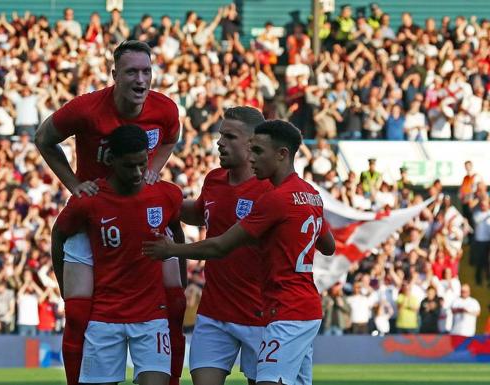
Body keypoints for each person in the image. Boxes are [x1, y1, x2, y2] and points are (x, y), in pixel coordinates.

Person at [35, 40, 185, 385]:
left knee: (175, 305)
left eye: (147, 71)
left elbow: (170, 139)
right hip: (92, 214)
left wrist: (154, 169)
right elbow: (43, 138)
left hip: (137, 208)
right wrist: (74, 184)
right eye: (132, 71)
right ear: (114, 74)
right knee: (76, 312)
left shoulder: (164, 110)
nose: (141, 79)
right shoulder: (86, 110)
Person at [144, 120, 336, 385]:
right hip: (289, 308)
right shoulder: (310, 194)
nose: (252, 157)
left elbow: (220, 246)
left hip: (280, 310)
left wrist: (171, 249)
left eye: (258, 151)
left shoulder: (274, 198)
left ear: (281, 154)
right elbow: (328, 246)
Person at [53, 125, 183, 385]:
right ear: (111, 160)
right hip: (104, 319)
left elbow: (176, 234)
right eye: (129, 166)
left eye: (142, 164)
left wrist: (180, 284)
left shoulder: (166, 194)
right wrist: (62, 286)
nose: (137, 173)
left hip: (151, 318)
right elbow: (59, 236)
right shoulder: (88, 200)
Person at [178, 106, 270, 385]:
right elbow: (199, 213)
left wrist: (170, 250)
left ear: (253, 143)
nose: (220, 142)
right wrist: (158, 197)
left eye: (230, 136)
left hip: (260, 314)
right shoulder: (214, 180)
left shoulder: (270, 189)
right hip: (214, 312)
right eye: (221, 135)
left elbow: (219, 246)